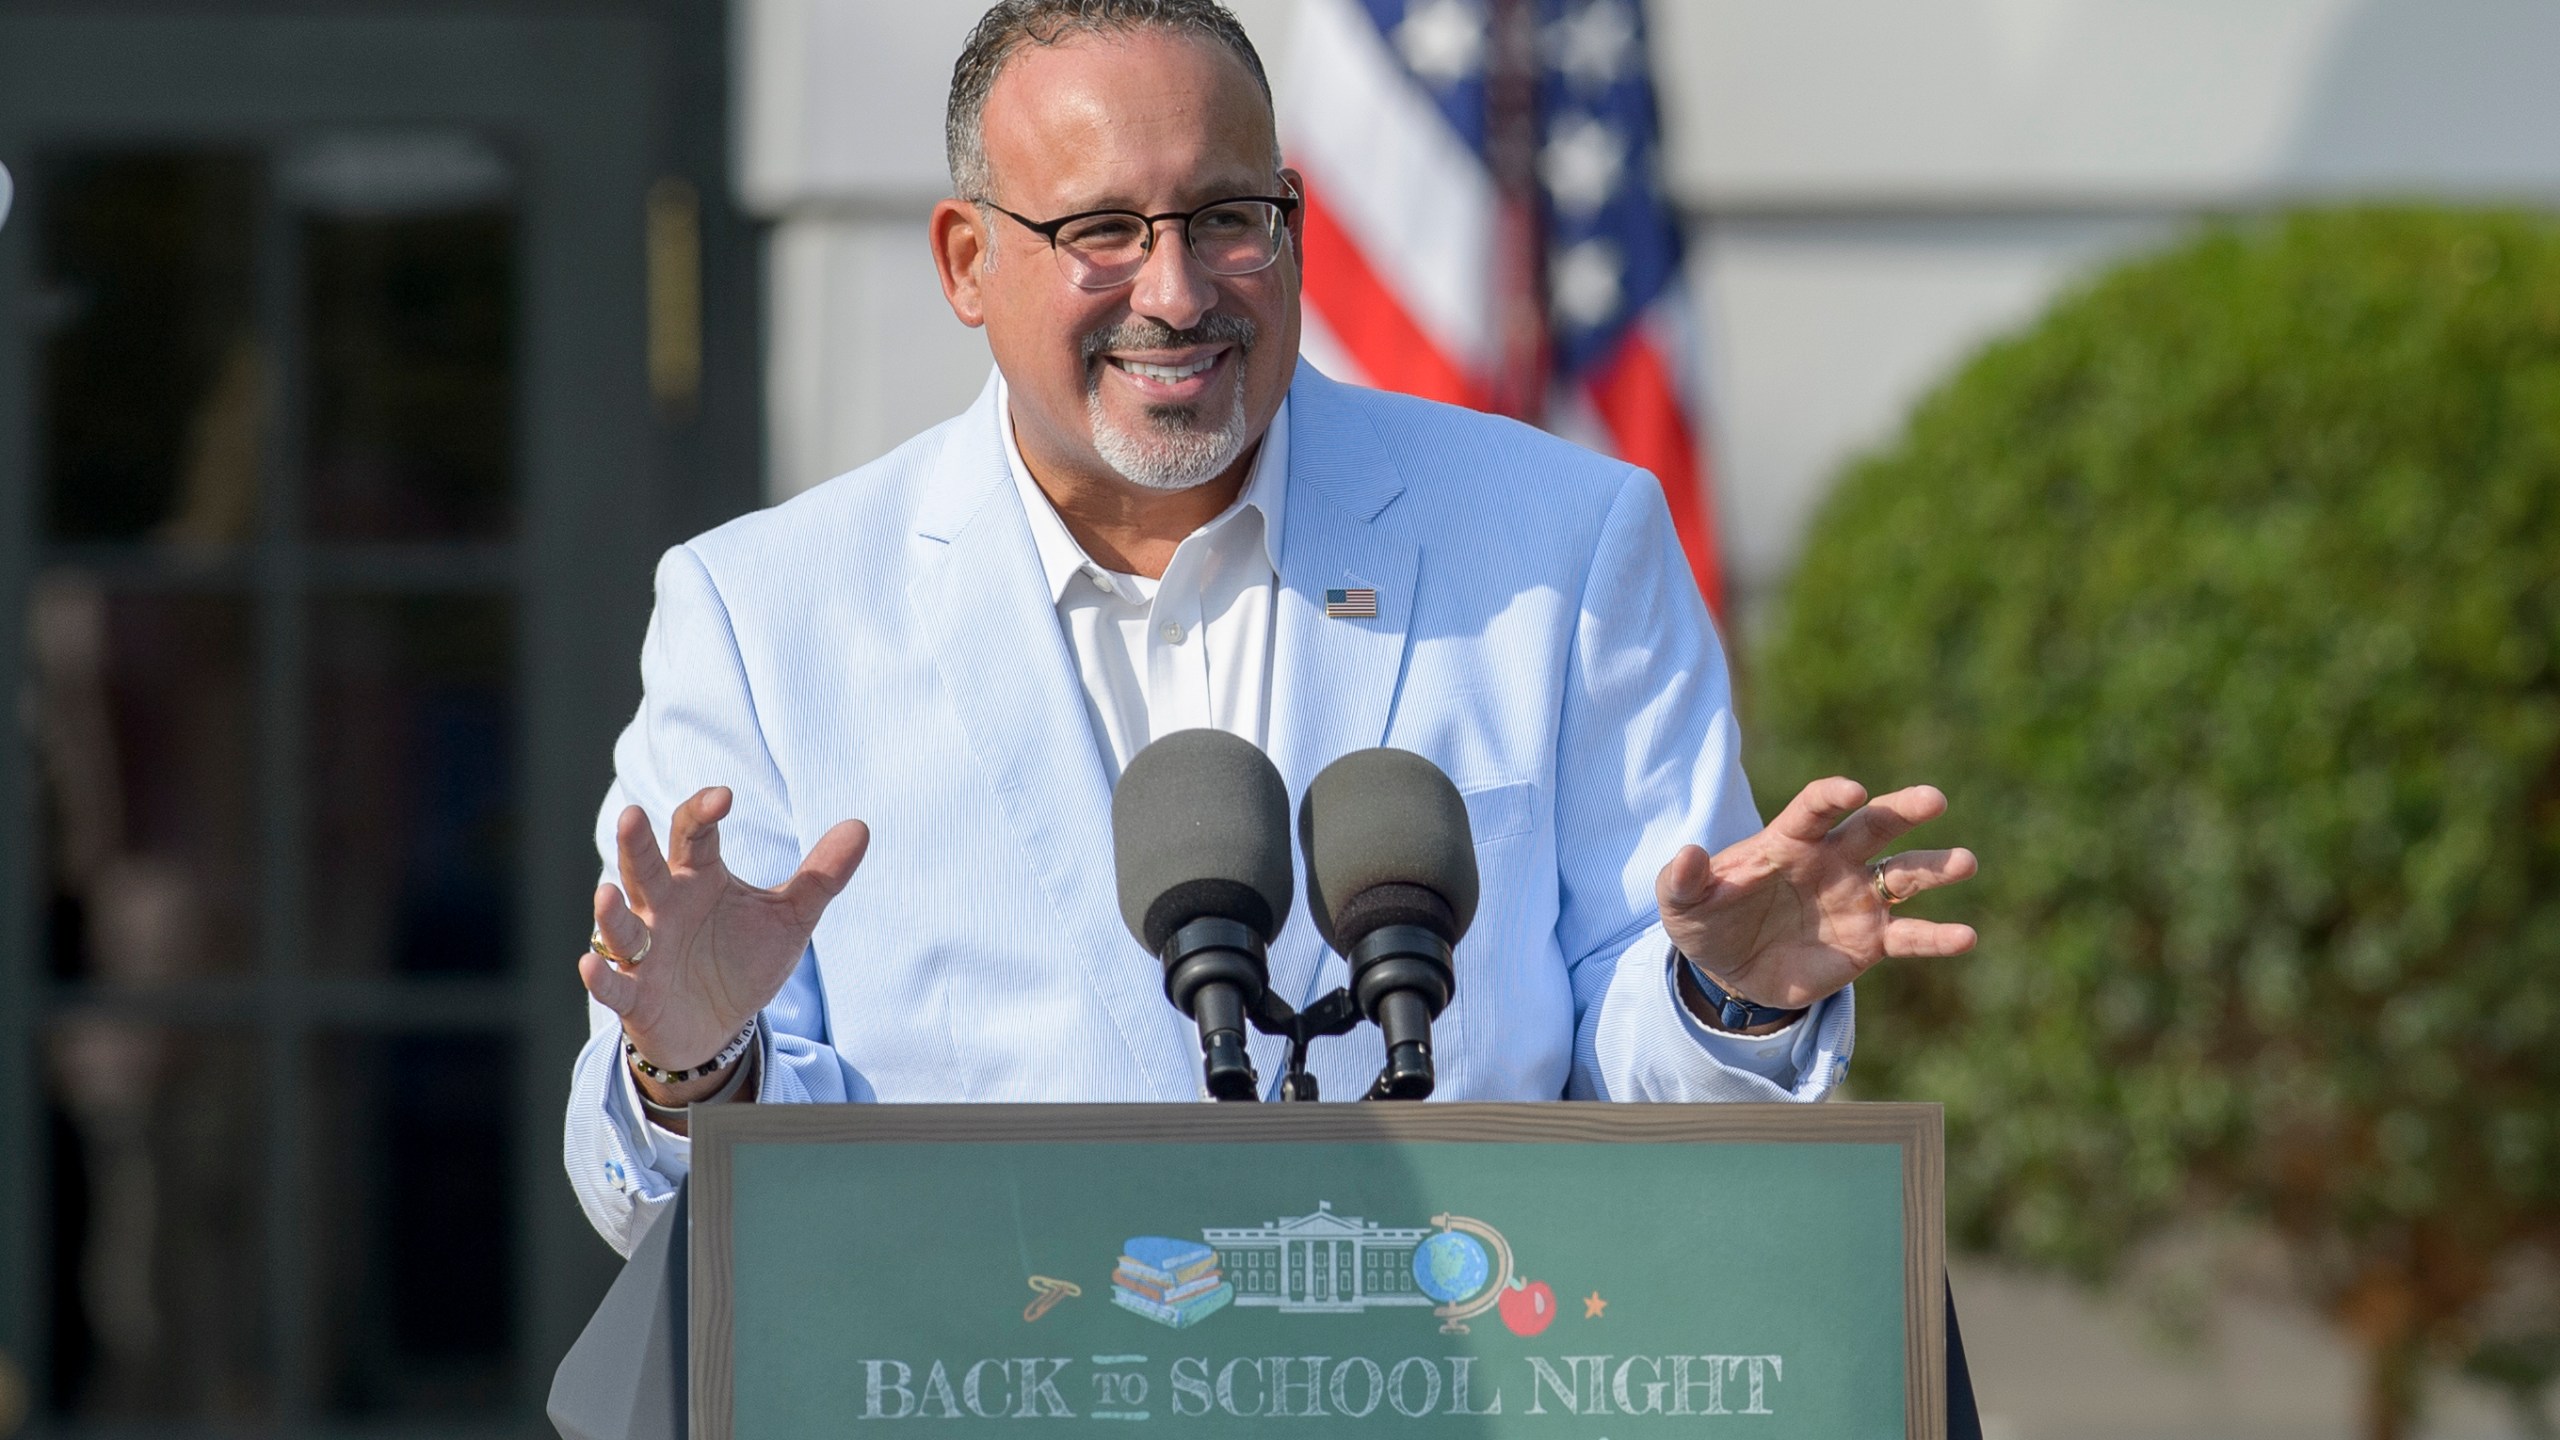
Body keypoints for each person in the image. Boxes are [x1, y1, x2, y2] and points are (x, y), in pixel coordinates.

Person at [563, 0, 1977, 1258]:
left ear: (1293, 221)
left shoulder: (1561, 540)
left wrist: (1726, 1004)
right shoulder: (764, 609)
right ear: (965, 260)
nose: (1176, 293)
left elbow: (1640, 1072)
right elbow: (659, 1208)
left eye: (1227, 219)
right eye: (1102, 231)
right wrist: (696, 1065)